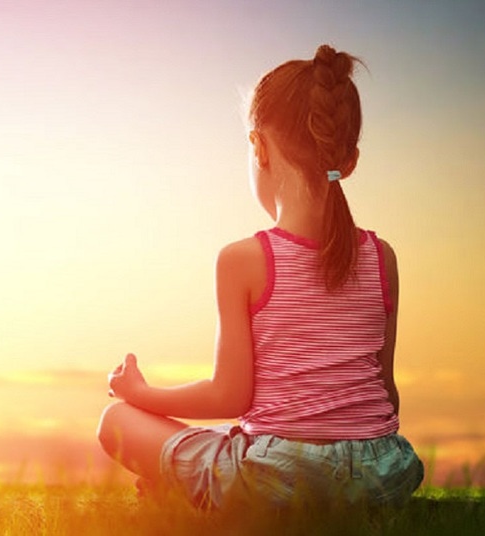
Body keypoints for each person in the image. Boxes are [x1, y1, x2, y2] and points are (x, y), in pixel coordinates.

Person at [96, 44, 424, 510]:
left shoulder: (244, 259)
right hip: (380, 474)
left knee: (116, 420)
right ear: (349, 160)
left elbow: (230, 394)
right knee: (251, 446)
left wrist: (141, 393)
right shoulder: (382, 257)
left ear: (259, 147)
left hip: (280, 477)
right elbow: (386, 396)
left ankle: (191, 493)